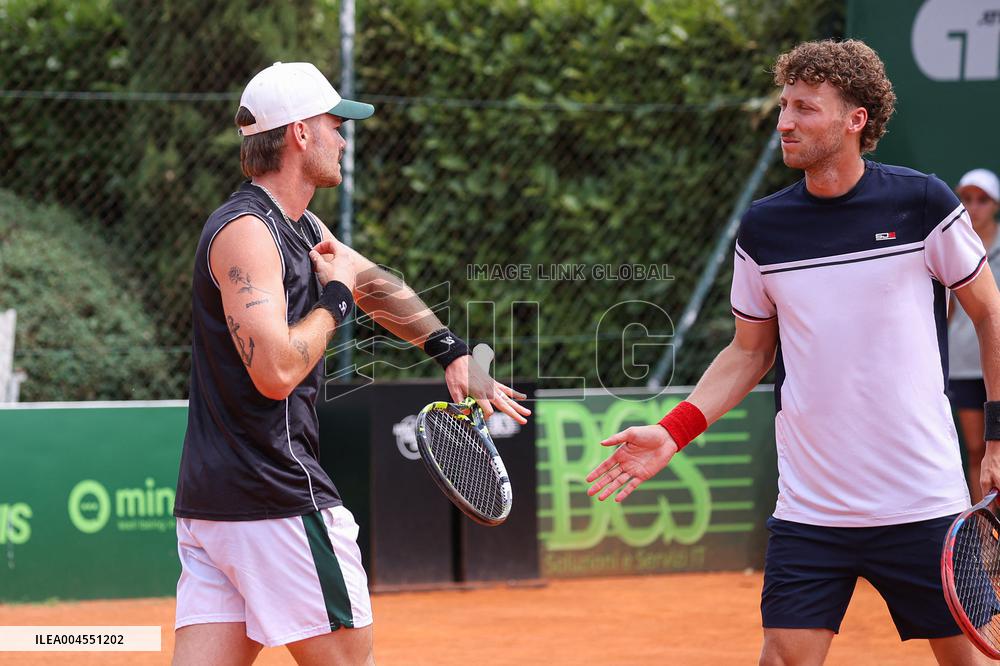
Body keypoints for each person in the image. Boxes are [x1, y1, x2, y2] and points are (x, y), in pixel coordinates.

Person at [587, 40, 1000, 665]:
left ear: (855, 119)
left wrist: (997, 436)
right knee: (781, 656)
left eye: (805, 108)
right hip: (812, 508)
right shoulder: (764, 230)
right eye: (785, 105)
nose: (785, 122)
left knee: (965, 660)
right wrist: (674, 431)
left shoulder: (922, 205)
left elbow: (990, 313)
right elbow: (749, 352)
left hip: (925, 502)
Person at [171, 62, 530, 666]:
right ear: (299, 135)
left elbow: (376, 286)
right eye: (335, 125)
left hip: (220, 503)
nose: (344, 139)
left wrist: (453, 351)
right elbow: (277, 371)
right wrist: (335, 299)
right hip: (276, 494)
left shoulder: (300, 227)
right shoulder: (247, 233)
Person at [948, 168, 1000, 503]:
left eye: (982, 199)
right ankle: (985, 533)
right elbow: (949, 311)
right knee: (976, 449)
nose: (974, 206)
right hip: (964, 365)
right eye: (966, 199)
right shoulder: (951, 243)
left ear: (994, 204)